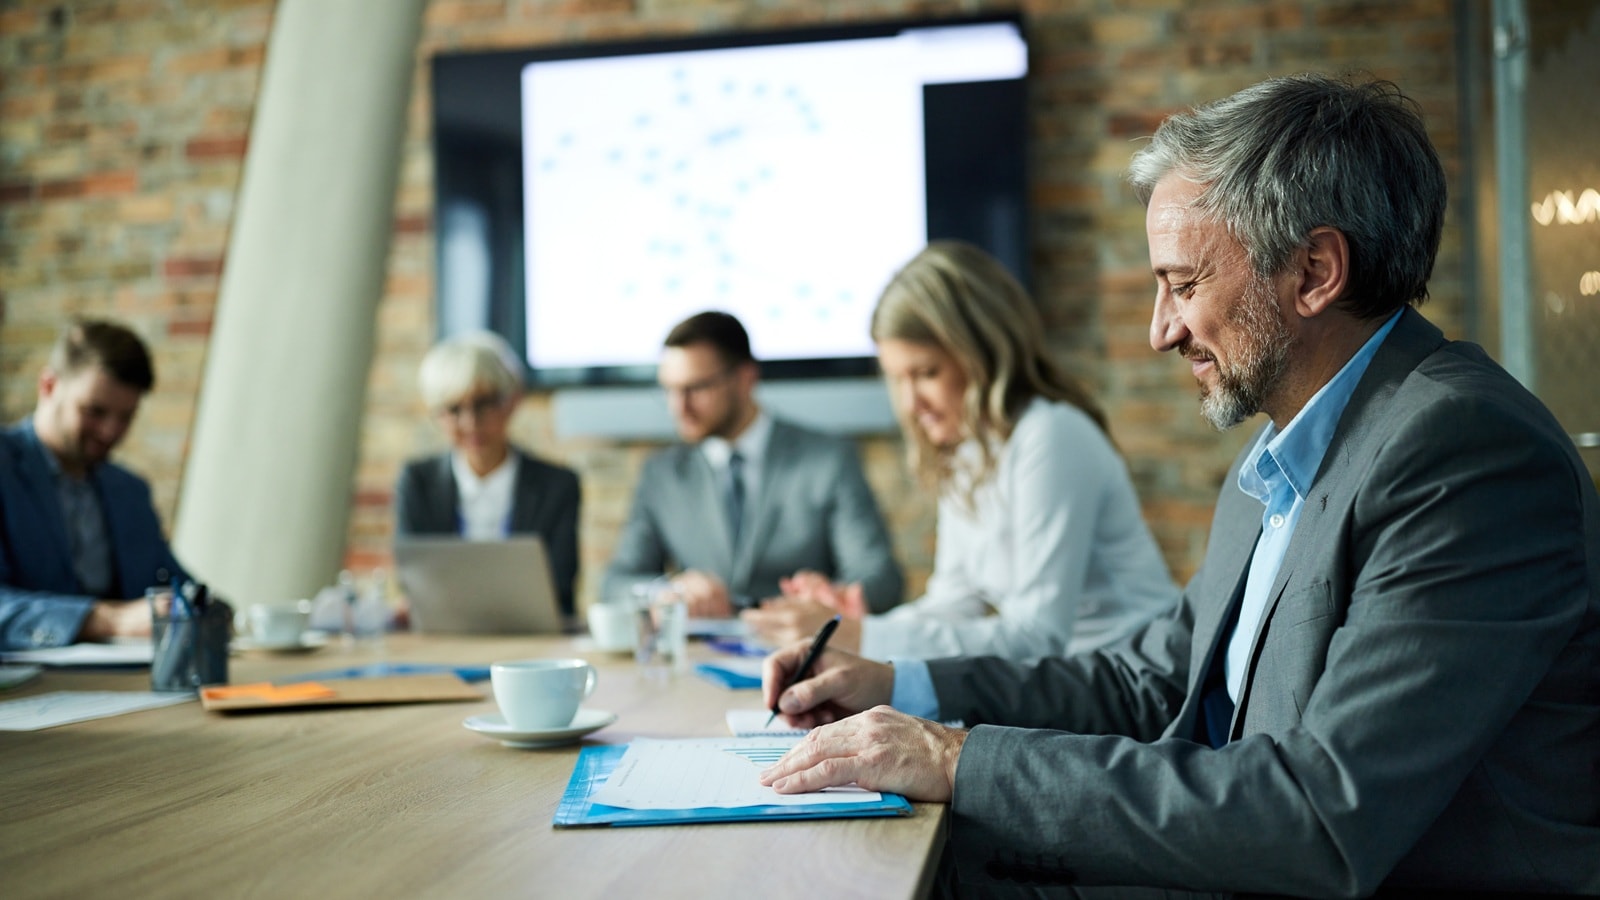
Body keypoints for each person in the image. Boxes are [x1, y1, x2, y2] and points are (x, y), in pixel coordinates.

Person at [756, 74, 1600, 897]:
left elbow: (1320, 814)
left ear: (1314, 271)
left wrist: (954, 758)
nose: (1161, 330)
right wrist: (895, 686)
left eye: (1184, 284)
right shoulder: (1276, 457)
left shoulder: (1464, 453)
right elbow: (1148, 682)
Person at [742, 242, 1177, 659]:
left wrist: (860, 636)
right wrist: (850, 626)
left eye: (926, 373)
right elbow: (954, 602)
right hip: (1075, 677)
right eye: (898, 378)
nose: (911, 404)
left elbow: (1036, 636)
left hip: (1138, 676)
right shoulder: (968, 448)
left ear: (982, 354)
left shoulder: (1051, 435)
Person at [604, 311, 903, 618]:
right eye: (669, 390)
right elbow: (615, 584)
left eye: (697, 388)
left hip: (798, 641)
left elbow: (881, 579)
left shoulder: (828, 460)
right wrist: (667, 591)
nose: (679, 407)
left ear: (745, 378)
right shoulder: (662, 474)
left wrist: (829, 596)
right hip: (700, 646)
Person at [0, 319, 191, 650]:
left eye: (126, 417)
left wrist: (207, 609)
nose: (110, 432)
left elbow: (176, 584)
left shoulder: (130, 491)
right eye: (94, 411)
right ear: (48, 386)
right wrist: (107, 620)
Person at [395, 331, 581, 619]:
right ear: (437, 414)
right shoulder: (417, 482)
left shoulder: (557, 486)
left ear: (512, 400)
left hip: (531, 635)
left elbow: (559, 588)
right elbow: (413, 582)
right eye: (454, 409)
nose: (471, 423)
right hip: (443, 635)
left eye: (484, 404)